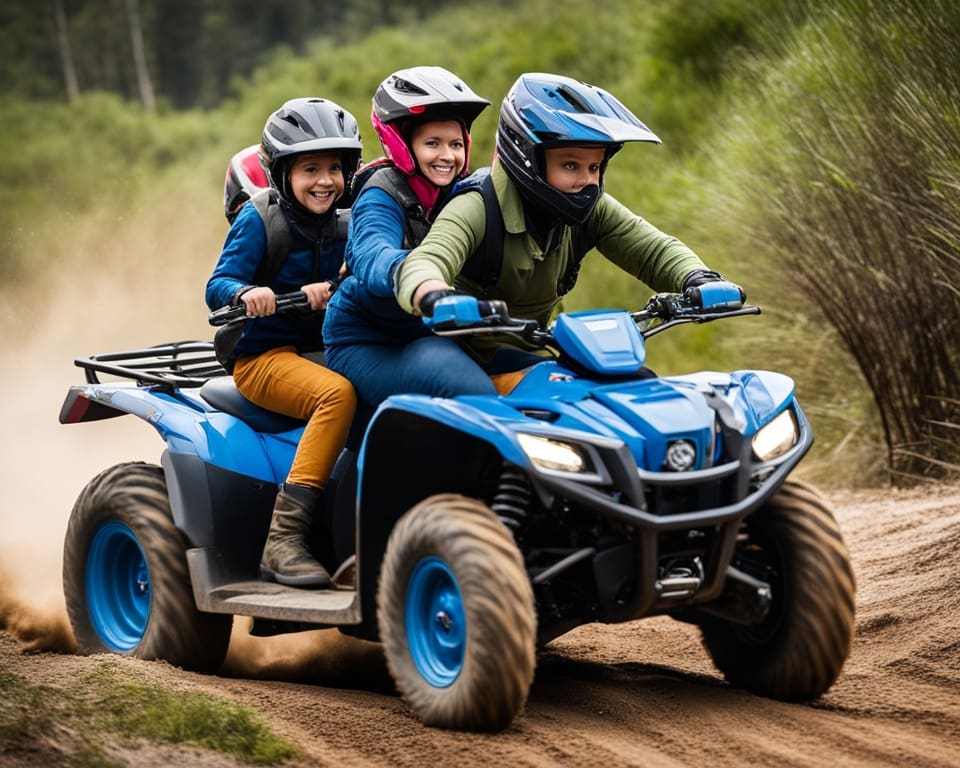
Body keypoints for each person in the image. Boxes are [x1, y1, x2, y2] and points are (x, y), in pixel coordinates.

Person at [396, 72, 743, 392]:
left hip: (538, 352)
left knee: (638, 389)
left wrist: (699, 278)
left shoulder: (587, 205)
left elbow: (650, 248)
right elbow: (428, 258)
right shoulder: (478, 206)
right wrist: (433, 294)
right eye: (570, 165)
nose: (587, 180)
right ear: (527, 157)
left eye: (594, 166)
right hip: (465, 359)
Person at [206, 97, 362, 588]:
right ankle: (284, 539)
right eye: (310, 168)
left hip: (329, 349)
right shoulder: (259, 220)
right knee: (337, 397)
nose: (325, 181)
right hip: (262, 356)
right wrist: (250, 293)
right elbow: (218, 285)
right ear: (282, 174)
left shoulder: (349, 221)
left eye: (334, 168)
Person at [322, 66, 498, 407]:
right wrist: (422, 280)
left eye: (456, 144)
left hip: (428, 331)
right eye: (433, 143)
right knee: (469, 390)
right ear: (403, 145)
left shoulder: (459, 194)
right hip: (367, 341)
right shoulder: (380, 194)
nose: (447, 155)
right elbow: (373, 254)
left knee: (551, 369)